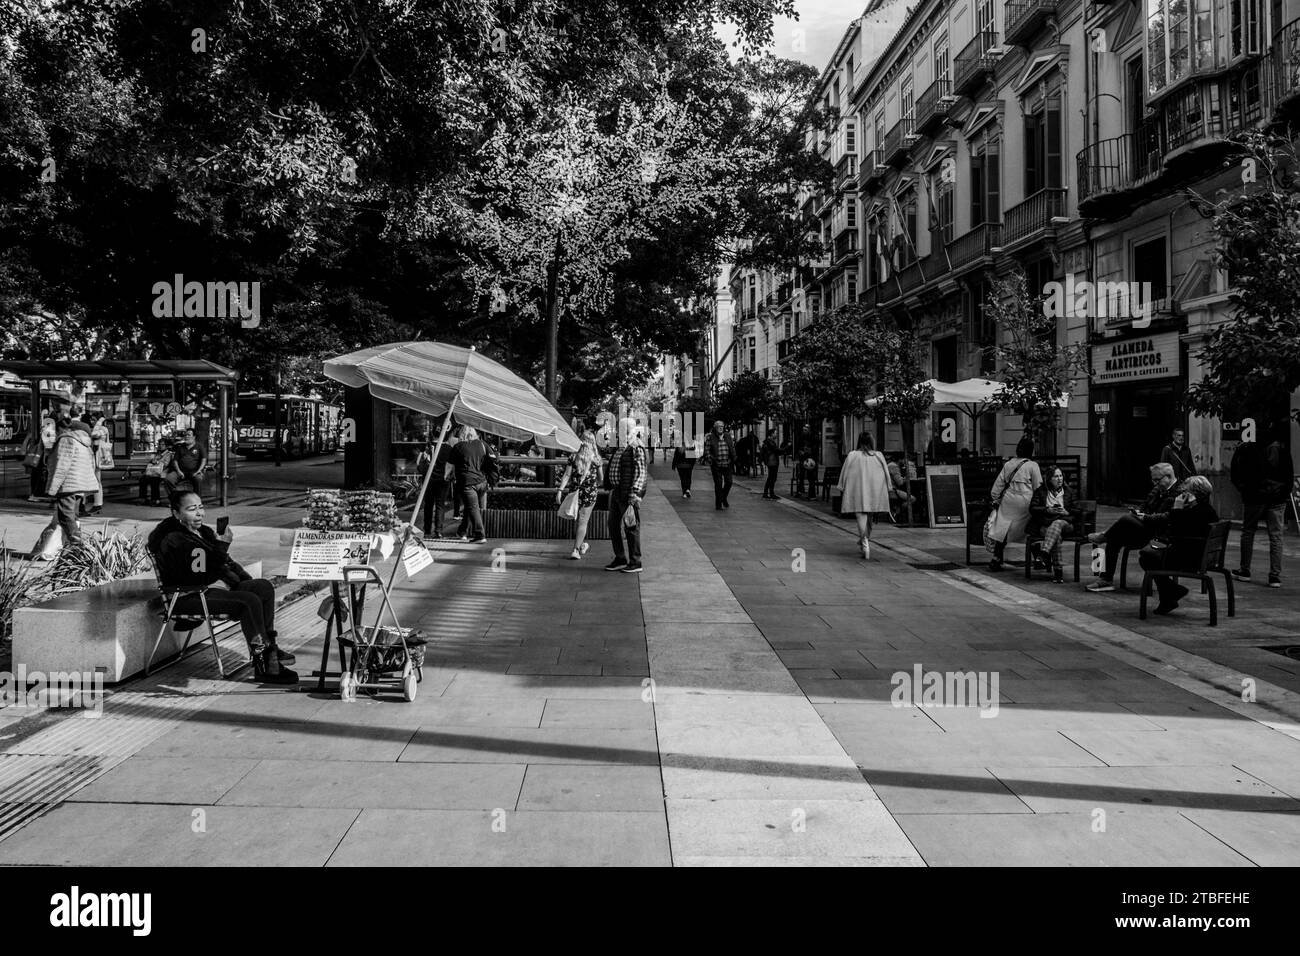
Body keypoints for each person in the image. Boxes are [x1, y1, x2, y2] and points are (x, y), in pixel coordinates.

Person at [148, 490, 297, 683]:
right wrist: (221, 548)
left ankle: (270, 649)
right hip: (189, 597)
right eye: (192, 509)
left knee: (263, 587)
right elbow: (199, 577)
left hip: (212, 590)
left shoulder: (202, 532)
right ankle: (265, 663)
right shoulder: (175, 540)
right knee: (248, 601)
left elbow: (226, 563)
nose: (200, 513)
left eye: (201, 507)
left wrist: (244, 579)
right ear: (176, 513)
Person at [1085, 462, 1180, 591]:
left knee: (1125, 520)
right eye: (1153, 480)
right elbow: (1145, 505)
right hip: (1145, 528)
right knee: (1115, 538)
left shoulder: (1179, 492)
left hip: (1159, 535)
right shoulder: (1157, 489)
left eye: (1157, 480)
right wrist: (1137, 513)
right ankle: (1106, 579)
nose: (1155, 484)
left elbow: (1168, 518)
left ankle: (1104, 536)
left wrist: (1144, 517)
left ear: (1168, 477)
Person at [1136, 475, 1220, 614]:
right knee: (1149, 554)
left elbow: (1174, 530)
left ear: (1192, 494)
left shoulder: (1195, 512)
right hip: (1199, 555)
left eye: (1184, 492)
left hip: (1189, 559)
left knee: (1146, 557)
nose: (1181, 494)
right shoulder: (1207, 510)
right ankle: (1170, 594)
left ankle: (1171, 593)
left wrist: (1177, 507)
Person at [1231, 423, 1294, 588]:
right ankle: (1274, 576)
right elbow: (1289, 475)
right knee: (1276, 536)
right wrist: (1284, 493)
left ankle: (1244, 570)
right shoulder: (1281, 449)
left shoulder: (1246, 448)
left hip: (1253, 498)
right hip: (1277, 499)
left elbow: (1235, 472)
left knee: (1248, 531)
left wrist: (1244, 490)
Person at [986, 437, 1043, 572]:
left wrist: (996, 499)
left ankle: (996, 558)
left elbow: (997, 487)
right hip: (1025, 501)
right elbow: (1038, 488)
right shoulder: (1033, 466)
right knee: (1030, 529)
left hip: (1009, 500)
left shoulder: (1009, 464)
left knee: (1003, 528)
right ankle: (1039, 558)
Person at [42, 415, 99, 550]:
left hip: (68, 484)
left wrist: (53, 488)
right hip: (80, 484)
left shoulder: (66, 440)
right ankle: (70, 546)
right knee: (73, 515)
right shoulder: (84, 442)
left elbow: (61, 465)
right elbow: (92, 464)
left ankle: (77, 546)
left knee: (65, 515)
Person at [836, 431, 892, 559]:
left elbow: (844, 472)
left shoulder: (852, 455)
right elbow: (886, 473)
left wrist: (842, 486)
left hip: (858, 491)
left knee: (861, 516)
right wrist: (888, 487)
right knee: (870, 516)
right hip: (874, 491)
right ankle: (864, 539)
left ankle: (864, 541)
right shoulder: (878, 456)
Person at [605, 418, 646, 573]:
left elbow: (640, 472)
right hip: (617, 491)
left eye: (621, 429)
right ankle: (620, 558)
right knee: (613, 525)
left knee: (631, 527)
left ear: (630, 430)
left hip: (628, 494)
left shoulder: (636, 446)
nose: (618, 431)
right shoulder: (622, 446)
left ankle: (635, 561)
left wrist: (634, 493)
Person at [1026, 466, 1079, 583]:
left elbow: (1078, 510)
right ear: (1049, 479)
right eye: (1056, 476)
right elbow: (1032, 508)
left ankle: (1044, 553)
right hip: (1046, 525)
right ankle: (1058, 572)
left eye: (1061, 476)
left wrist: (1067, 512)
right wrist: (1047, 510)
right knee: (1056, 536)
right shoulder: (1040, 491)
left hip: (1066, 523)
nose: (1059, 479)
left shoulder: (1069, 491)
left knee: (1058, 523)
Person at [557, 435, 602, 559]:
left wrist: (560, 490)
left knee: (578, 521)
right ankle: (576, 550)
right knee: (583, 522)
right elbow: (601, 478)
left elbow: (567, 474)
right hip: (590, 493)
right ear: (593, 443)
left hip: (575, 492)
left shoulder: (573, 456)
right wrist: (594, 484)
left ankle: (582, 545)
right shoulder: (596, 458)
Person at [449, 425, 494, 543]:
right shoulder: (482, 444)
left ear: (461, 434)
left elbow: (449, 464)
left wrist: (446, 475)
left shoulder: (458, 446)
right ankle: (462, 531)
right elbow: (493, 457)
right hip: (482, 482)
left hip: (467, 483)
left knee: (473, 508)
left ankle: (480, 535)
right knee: (470, 508)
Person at [415, 427, 457, 538]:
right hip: (443, 480)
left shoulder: (427, 447)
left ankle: (427, 529)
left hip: (428, 480)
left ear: (433, 435)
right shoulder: (448, 448)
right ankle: (438, 530)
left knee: (428, 505)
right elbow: (452, 466)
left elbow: (418, 464)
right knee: (440, 505)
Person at [702, 419, 736, 510]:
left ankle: (723, 498)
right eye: (718, 427)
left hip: (727, 464)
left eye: (722, 426)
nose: (720, 428)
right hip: (716, 465)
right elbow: (707, 450)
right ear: (715, 428)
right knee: (718, 484)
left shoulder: (728, 436)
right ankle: (718, 504)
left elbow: (732, 447)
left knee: (729, 482)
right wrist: (710, 459)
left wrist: (734, 458)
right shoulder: (711, 437)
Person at [83, 414, 110, 516]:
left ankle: (97, 504)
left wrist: (100, 421)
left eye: (94, 419)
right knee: (95, 480)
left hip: (98, 457)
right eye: (91, 419)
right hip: (94, 456)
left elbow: (94, 434)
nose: (92, 421)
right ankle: (94, 503)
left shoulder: (103, 429)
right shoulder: (98, 428)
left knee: (97, 481)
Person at [170, 428, 207, 497]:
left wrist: (199, 471)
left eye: (189, 435)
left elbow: (204, 460)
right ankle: (174, 500)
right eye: (186, 435)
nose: (186, 436)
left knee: (198, 479)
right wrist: (178, 471)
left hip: (194, 471)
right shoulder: (181, 447)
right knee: (169, 479)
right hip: (180, 471)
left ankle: (197, 500)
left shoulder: (199, 446)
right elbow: (175, 460)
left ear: (194, 437)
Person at [138, 438, 174, 506]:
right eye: (159, 444)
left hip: (161, 474)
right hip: (153, 473)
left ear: (166, 446)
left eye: (162, 444)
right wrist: (153, 460)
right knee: (143, 479)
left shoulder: (168, 454)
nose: (160, 446)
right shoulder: (157, 453)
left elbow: (166, 464)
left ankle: (156, 500)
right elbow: (151, 461)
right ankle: (142, 498)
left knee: (154, 481)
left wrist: (156, 461)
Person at [794, 427, 817, 498]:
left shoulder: (813, 438)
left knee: (811, 478)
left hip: (810, 460)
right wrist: (800, 452)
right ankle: (800, 491)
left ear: (809, 430)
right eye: (803, 430)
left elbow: (814, 449)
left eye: (805, 430)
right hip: (803, 459)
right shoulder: (801, 437)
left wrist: (808, 451)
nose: (804, 431)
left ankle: (812, 495)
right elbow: (798, 447)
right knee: (800, 476)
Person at [761, 433, 781, 499]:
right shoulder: (770, 443)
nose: (776, 434)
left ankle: (767, 493)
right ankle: (770, 494)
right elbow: (777, 451)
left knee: (771, 478)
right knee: (772, 478)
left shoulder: (768, 442)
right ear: (770, 435)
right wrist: (787, 447)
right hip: (772, 462)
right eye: (774, 433)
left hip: (771, 462)